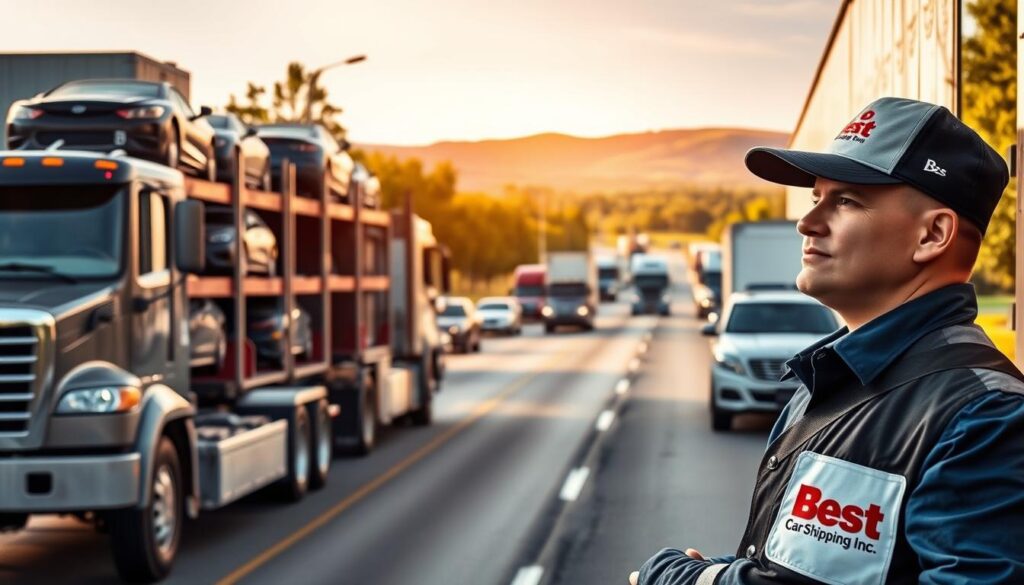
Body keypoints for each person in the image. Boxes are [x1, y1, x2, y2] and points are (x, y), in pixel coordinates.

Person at [630, 96, 1024, 584]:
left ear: (933, 235)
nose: (807, 222)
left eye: (845, 201)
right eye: (816, 197)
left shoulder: (986, 418)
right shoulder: (824, 381)